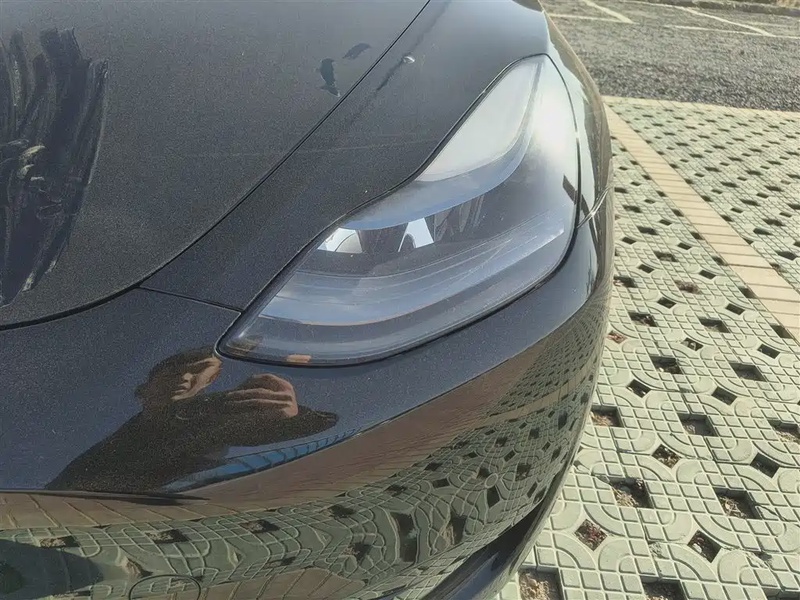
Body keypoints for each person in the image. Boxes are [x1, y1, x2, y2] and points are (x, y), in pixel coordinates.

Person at [47, 348, 337, 493]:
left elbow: (320, 427)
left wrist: (294, 417)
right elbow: (66, 484)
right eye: (174, 370)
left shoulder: (213, 414)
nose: (185, 377)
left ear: (209, 383)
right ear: (144, 388)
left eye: (199, 372)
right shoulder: (109, 438)